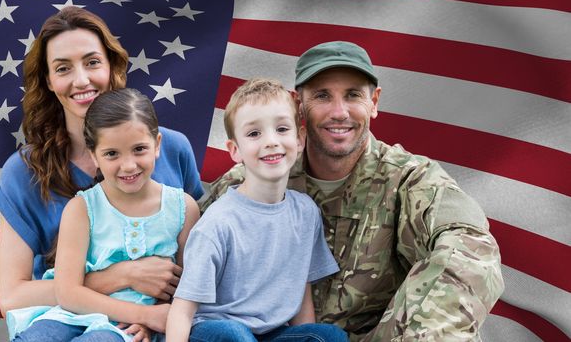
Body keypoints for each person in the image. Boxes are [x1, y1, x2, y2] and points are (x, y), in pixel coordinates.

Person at [200, 42, 505, 341]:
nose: (339, 112)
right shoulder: (256, 178)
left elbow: (471, 250)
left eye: (353, 95)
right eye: (322, 96)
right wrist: (149, 274)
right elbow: (182, 239)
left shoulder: (407, 179)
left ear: (374, 102)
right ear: (298, 104)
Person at [0, 6, 203, 336]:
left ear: (112, 66)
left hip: (151, 326)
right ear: (49, 81)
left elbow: (197, 261)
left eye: (92, 62)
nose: (81, 80)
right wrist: (123, 276)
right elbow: (12, 297)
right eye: (63, 68)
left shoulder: (172, 149)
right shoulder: (23, 172)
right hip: (59, 325)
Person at [7, 88, 200, 341]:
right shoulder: (81, 209)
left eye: (139, 149)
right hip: (71, 315)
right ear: (93, 155)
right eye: (111, 154)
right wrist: (142, 314)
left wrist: (152, 322)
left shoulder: (183, 209)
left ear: (157, 145)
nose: (128, 165)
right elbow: (68, 294)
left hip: (130, 330)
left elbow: (189, 289)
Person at [166, 78, 347, 342]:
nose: (271, 141)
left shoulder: (306, 212)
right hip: (215, 331)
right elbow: (182, 311)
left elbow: (301, 291)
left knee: (328, 337)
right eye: (254, 133)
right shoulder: (219, 223)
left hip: (272, 334)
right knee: (235, 336)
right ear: (235, 150)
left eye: (282, 129)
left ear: (300, 139)